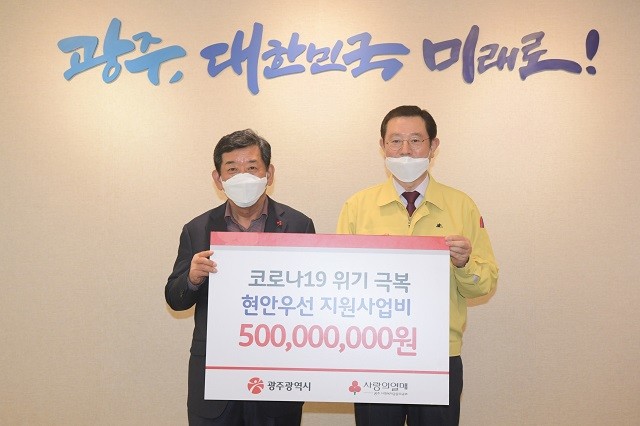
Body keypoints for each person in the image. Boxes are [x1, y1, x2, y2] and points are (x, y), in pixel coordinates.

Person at [336, 105, 498, 426]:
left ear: (433, 146)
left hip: (438, 353)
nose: (405, 151)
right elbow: (340, 282)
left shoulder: (461, 205)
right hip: (374, 351)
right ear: (382, 146)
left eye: (415, 140)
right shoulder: (357, 207)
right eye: (395, 141)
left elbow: (486, 283)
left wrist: (464, 264)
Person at [165, 129, 315, 426]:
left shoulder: (298, 224)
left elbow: (312, 298)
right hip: (214, 378)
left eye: (252, 167)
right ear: (218, 178)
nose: (242, 176)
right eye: (232, 169)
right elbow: (175, 298)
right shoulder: (197, 228)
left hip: (276, 372)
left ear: (269, 174)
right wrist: (192, 279)